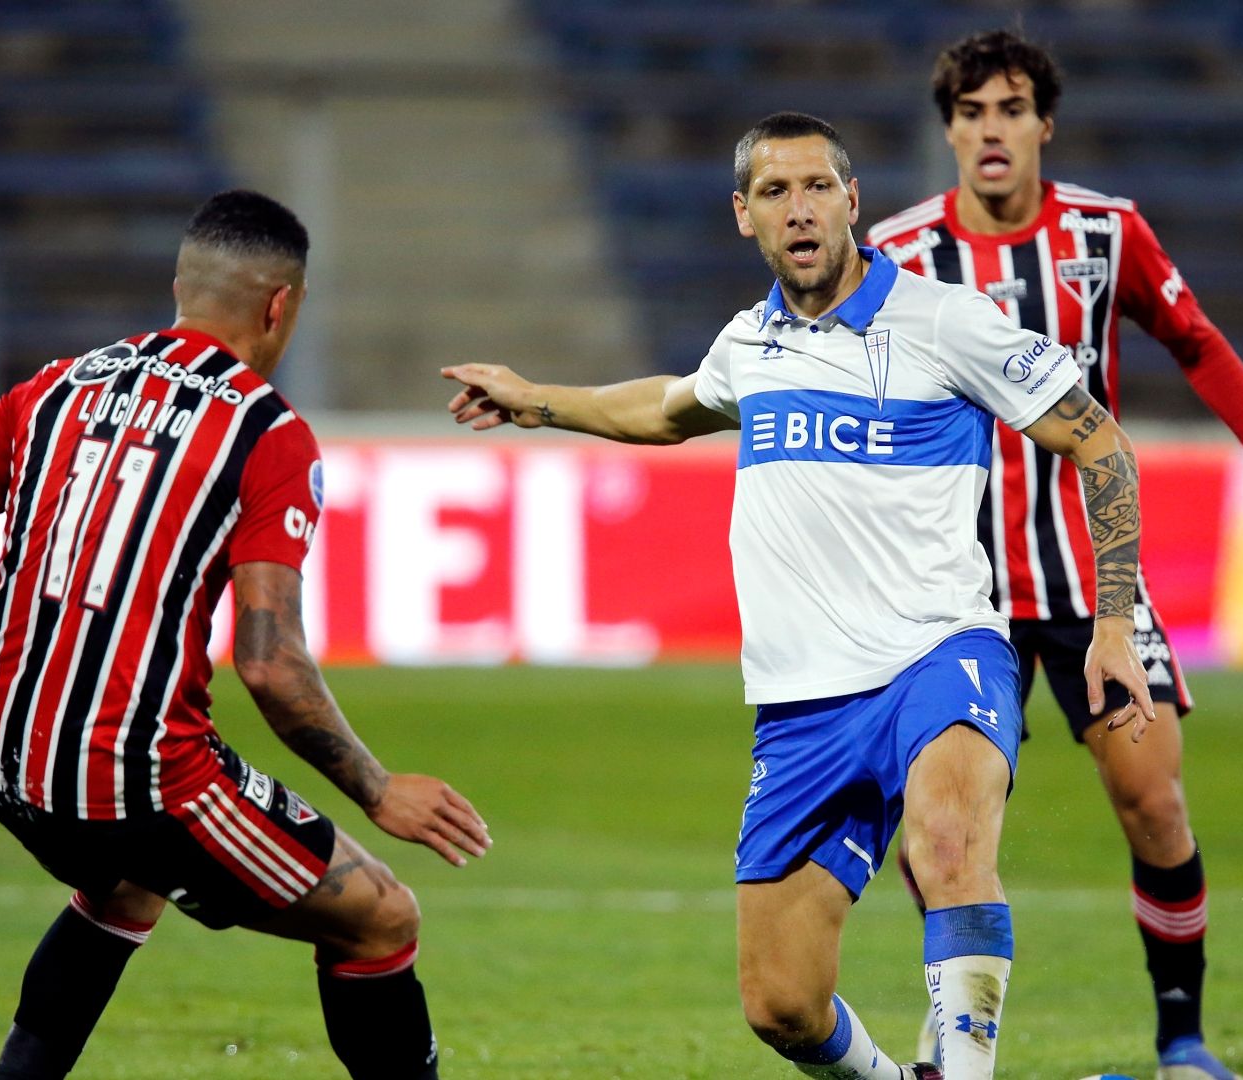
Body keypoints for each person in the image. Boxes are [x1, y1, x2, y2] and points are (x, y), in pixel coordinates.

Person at [443, 112, 1154, 1080]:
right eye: (775, 193)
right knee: (779, 1001)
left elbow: (1099, 440)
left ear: (853, 201)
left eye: (818, 186)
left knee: (948, 844)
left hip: (937, 655)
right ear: (745, 216)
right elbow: (665, 407)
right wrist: (537, 402)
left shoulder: (944, 322)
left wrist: (1114, 622)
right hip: (803, 708)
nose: (801, 209)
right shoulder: (750, 344)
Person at [0, 189, 490, 1080]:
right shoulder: (266, 432)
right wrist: (378, 790)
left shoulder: (61, 385)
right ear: (281, 306)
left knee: (122, 888)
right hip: (139, 780)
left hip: (4, 762)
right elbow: (269, 665)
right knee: (381, 917)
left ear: (181, 285)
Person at [865, 30, 1243, 1080]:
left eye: (1012, 108)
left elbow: (1197, 342)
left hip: (1092, 580)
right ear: (948, 128)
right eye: (972, 110)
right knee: (935, 826)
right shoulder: (900, 252)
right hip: (955, 587)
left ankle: (1182, 1042)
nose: (992, 129)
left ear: (1044, 124)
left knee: (1155, 801)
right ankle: (956, 1021)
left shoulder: (1105, 234)